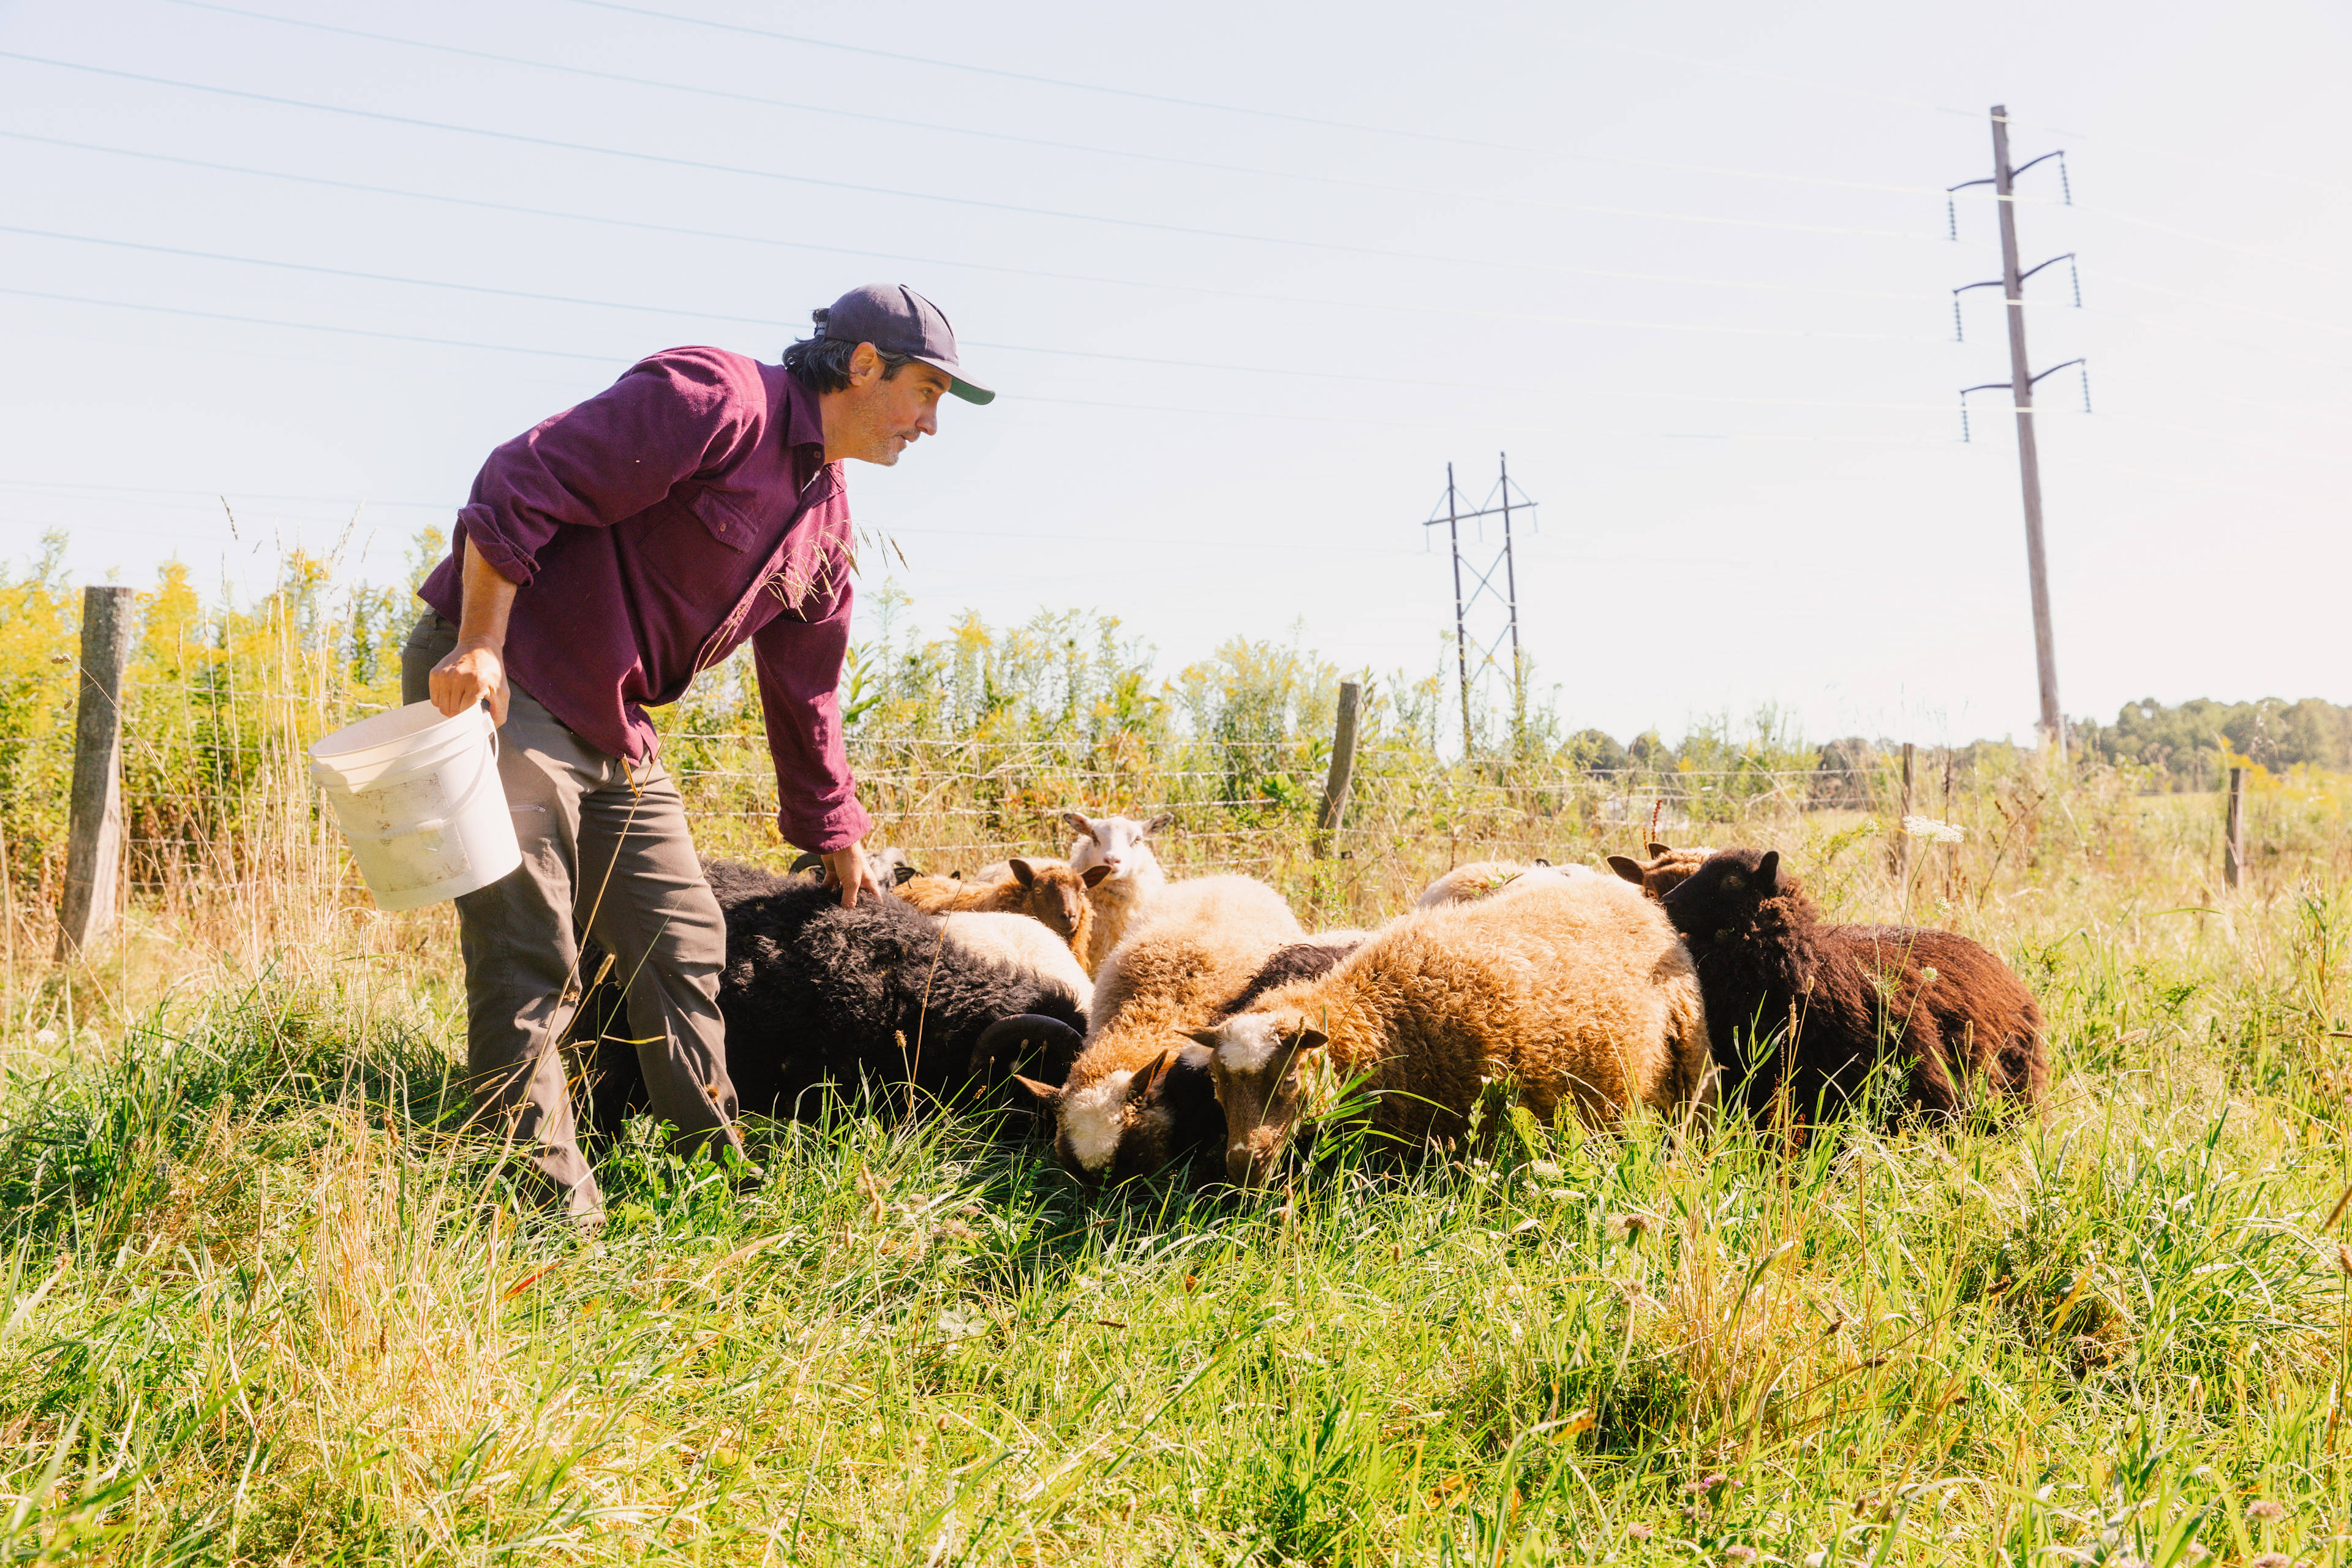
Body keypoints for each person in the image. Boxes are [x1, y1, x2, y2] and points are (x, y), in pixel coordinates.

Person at [399, 284, 992, 1223]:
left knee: (684, 938)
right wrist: (477, 641)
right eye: (926, 392)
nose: (930, 423)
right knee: (530, 950)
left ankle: (709, 1184)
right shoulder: (716, 399)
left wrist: (838, 835)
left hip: (616, 719)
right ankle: (541, 1214)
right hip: (510, 677)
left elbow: (807, 692)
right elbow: (520, 477)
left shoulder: (825, 520)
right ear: (864, 364)